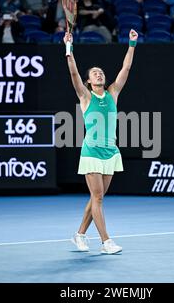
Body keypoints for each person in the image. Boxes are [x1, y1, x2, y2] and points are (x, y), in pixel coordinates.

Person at [63, 29, 139, 254]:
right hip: (91, 153)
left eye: (101, 72)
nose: (99, 74)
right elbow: (74, 74)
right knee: (97, 197)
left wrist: (132, 44)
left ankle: (79, 234)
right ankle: (106, 241)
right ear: (88, 81)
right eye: (94, 73)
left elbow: (126, 68)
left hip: (111, 153)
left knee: (97, 197)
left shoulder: (113, 92)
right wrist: (69, 49)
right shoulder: (85, 97)